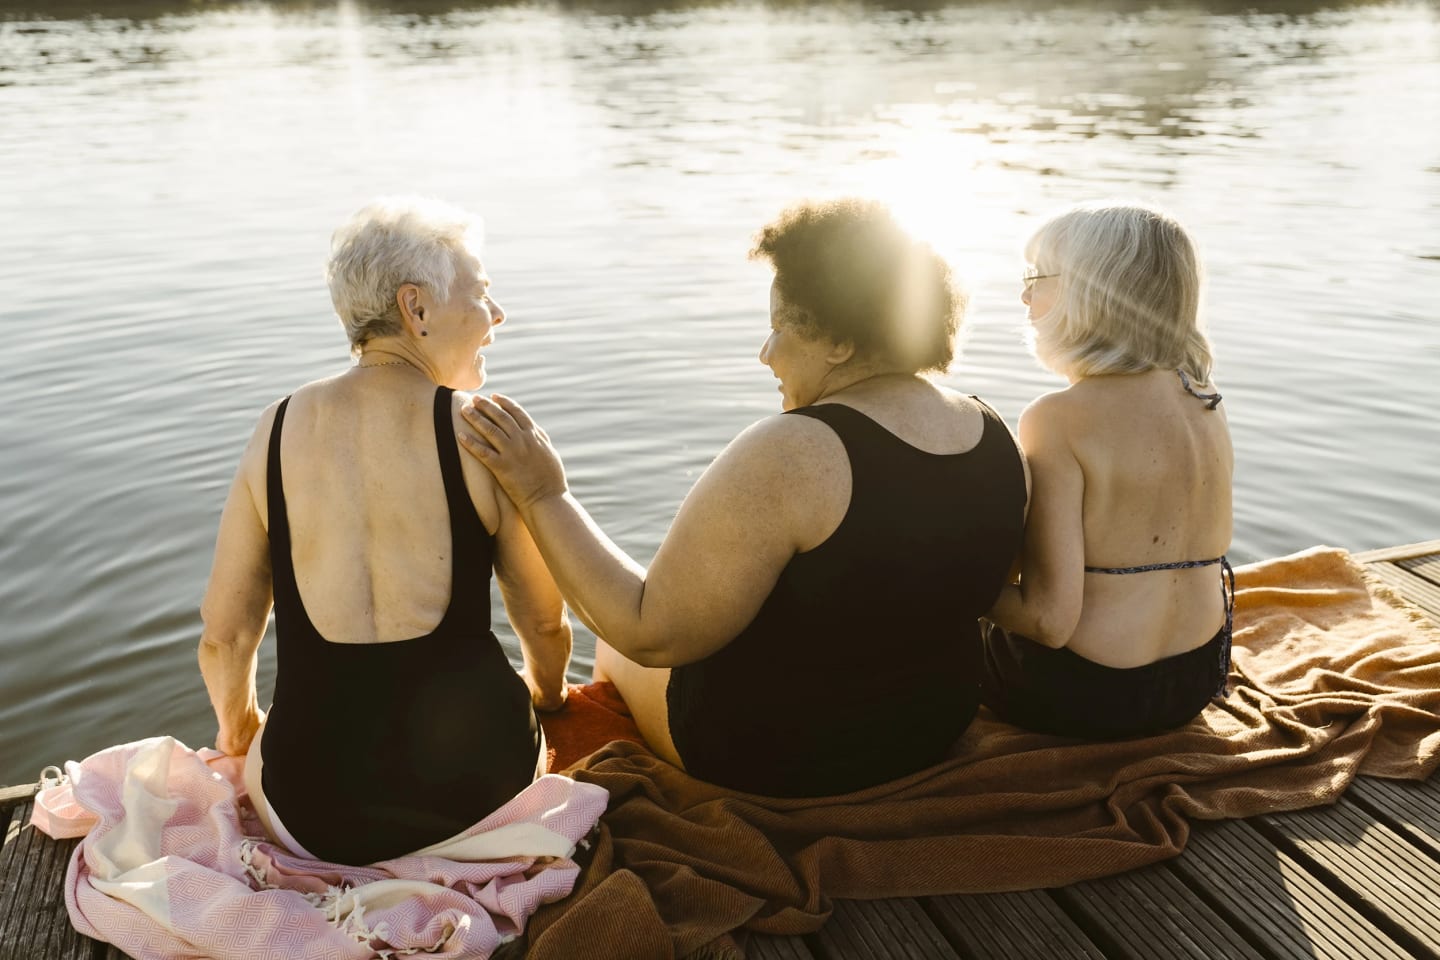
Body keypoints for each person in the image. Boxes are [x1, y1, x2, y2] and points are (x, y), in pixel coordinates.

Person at [458, 199, 1027, 797]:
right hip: (930, 732)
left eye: (781, 326)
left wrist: (545, 493)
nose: (766, 351)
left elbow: (649, 632)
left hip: (784, 759)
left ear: (836, 340)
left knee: (618, 650)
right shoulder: (992, 430)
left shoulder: (794, 450)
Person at [196, 197, 573, 865]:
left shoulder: (275, 431)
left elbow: (225, 636)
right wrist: (550, 696)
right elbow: (542, 623)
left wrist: (239, 735)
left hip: (311, 812)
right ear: (416, 308)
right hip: (479, 793)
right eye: (483, 294)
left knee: (269, 752)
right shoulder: (486, 433)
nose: (498, 315)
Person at [983, 200, 1234, 740]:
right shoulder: (1207, 401)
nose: (1023, 295)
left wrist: (956, 588)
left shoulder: (1058, 419)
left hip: (1084, 694)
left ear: (1092, 291)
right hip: (1195, 681)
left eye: (1035, 277)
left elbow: (1050, 622)